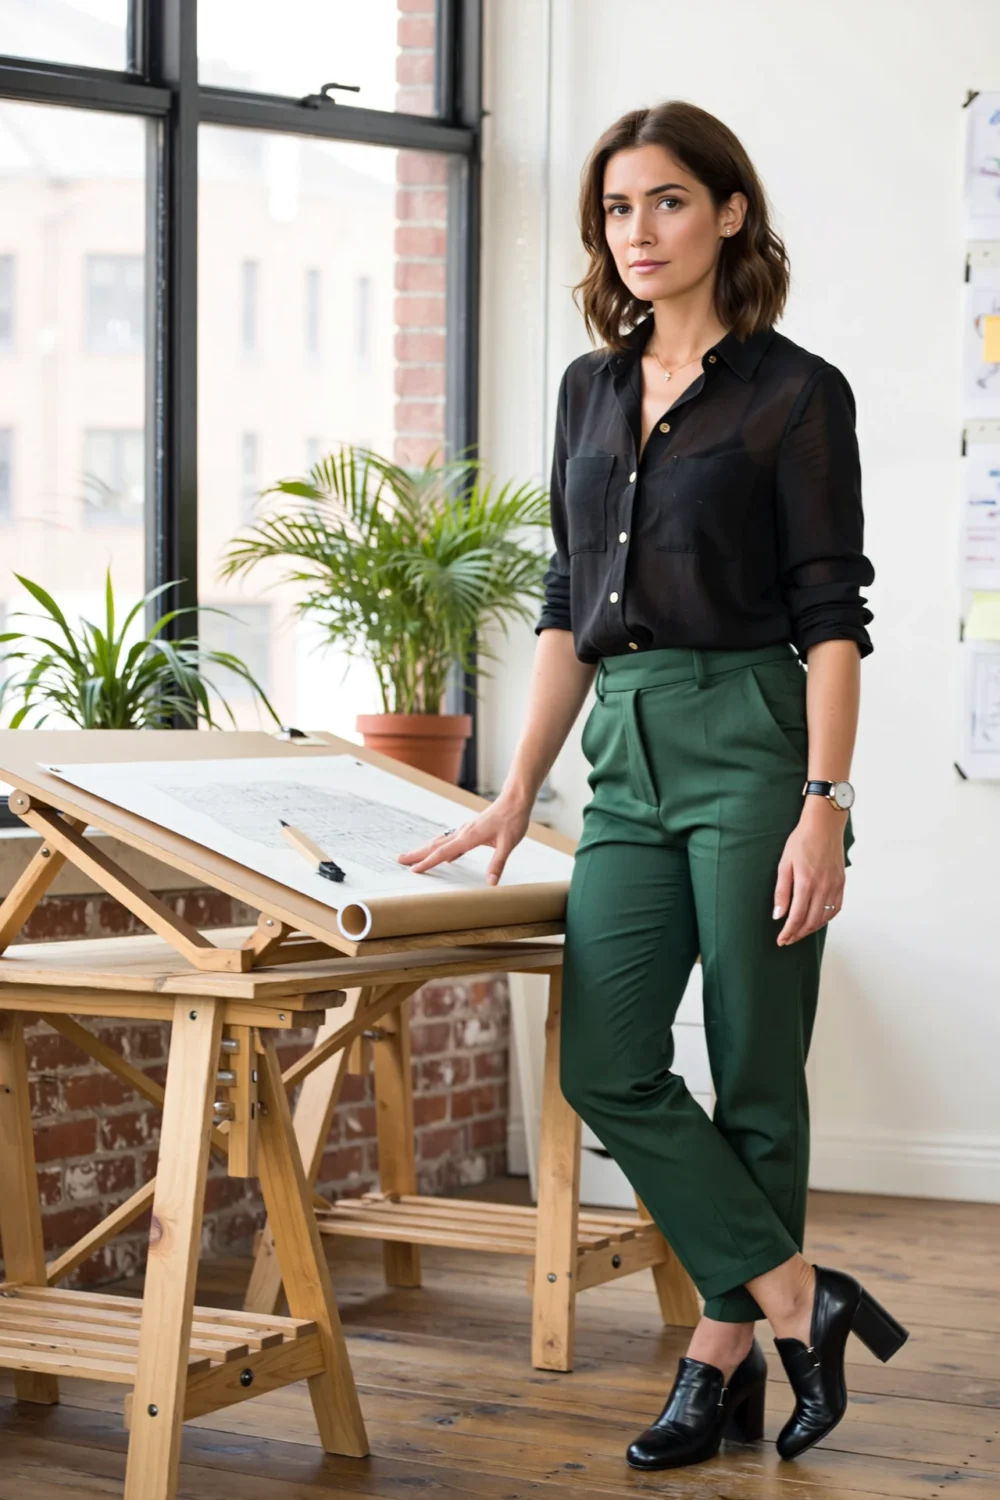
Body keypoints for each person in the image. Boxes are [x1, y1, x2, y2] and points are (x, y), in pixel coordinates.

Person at [398, 99, 908, 1472]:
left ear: (730, 213)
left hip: (752, 733)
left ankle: (719, 1355)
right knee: (608, 1063)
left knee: (754, 1067)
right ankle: (804, 1299)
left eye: (668, 202)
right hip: (623, 752)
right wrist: (516, 789)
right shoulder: (588, 388)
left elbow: (833, 620)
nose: (639, 232)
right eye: (618, 209)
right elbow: (568, 606)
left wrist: (825, 804)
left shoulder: (797, 392)